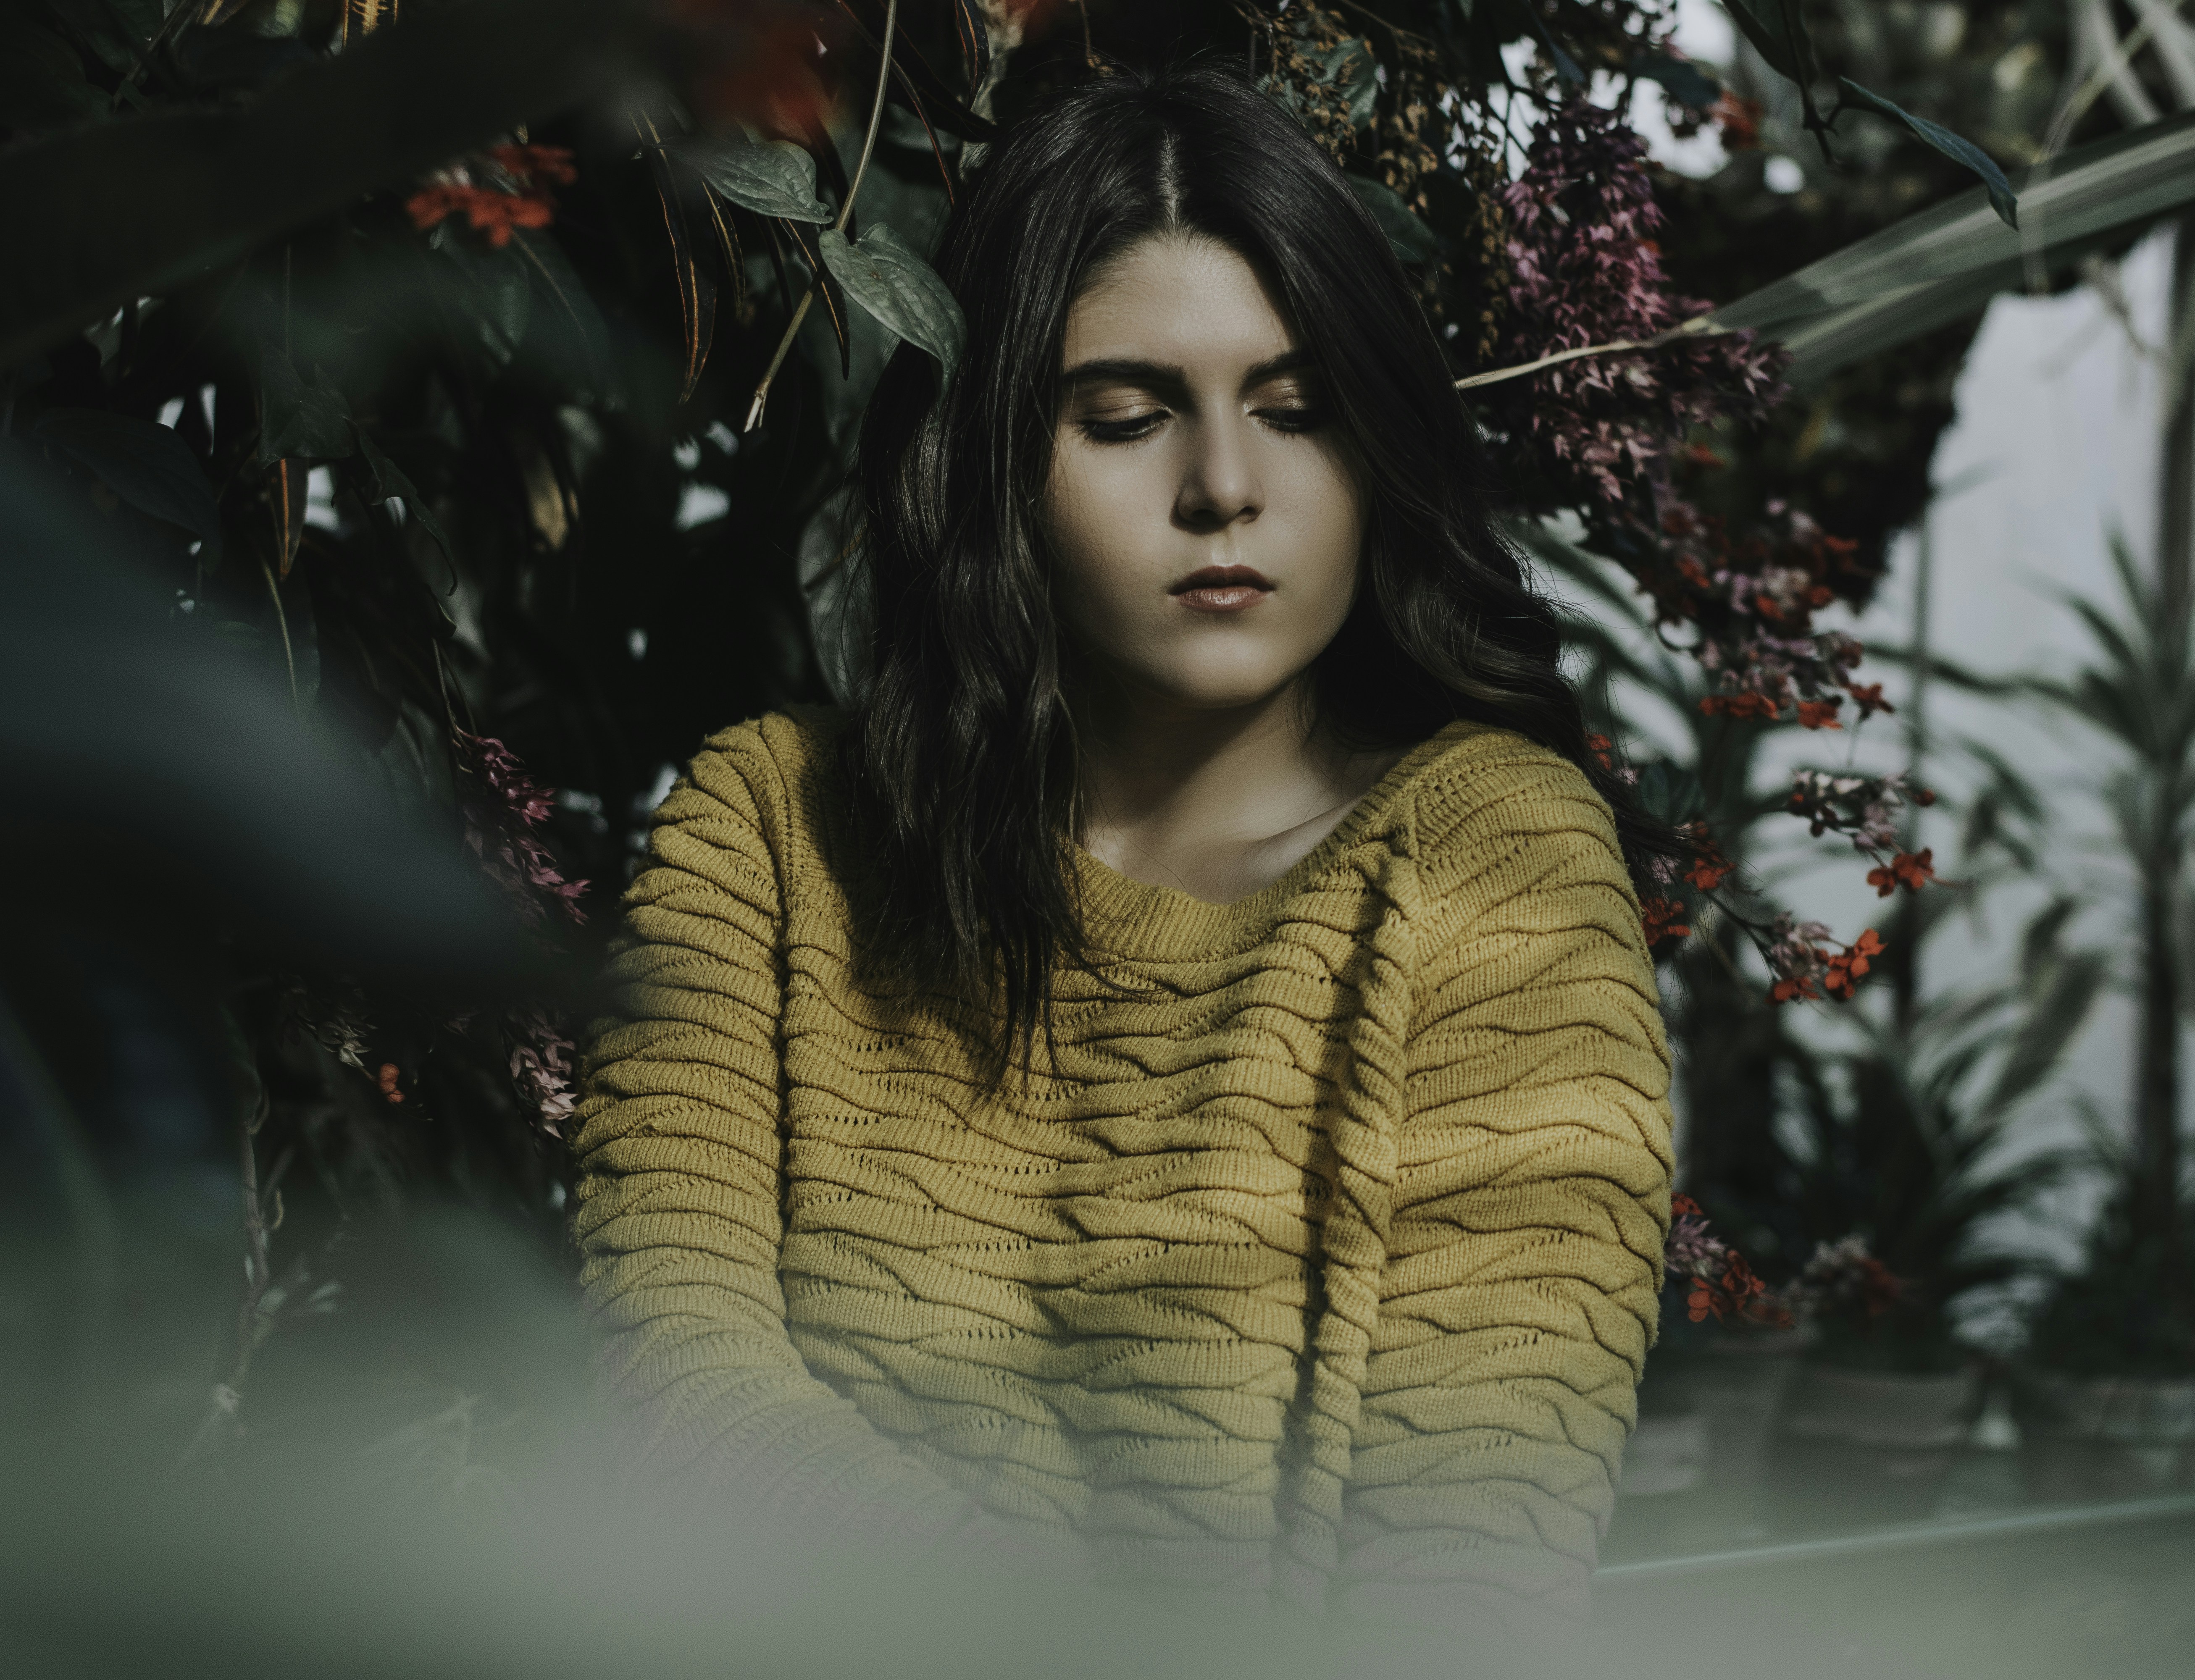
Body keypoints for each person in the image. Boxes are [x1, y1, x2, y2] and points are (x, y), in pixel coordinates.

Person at [568, 62, 1678, 1628]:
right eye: (1127, 416)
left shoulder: (1495, 858)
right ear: (993, 457)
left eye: (1298, 413)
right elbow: (681, 1405)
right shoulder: (764, 836)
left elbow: (1470, 1558)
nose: (1225, 488)